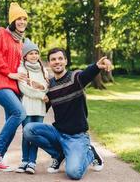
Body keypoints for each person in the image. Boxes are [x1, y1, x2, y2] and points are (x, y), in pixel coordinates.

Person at [23, 48, 112, 180]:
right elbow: (41, 108)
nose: (57, 62)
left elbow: (87, 74)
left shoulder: (75, 78)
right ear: (49, 63)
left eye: (60, 58)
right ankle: (60, 154)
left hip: (77, 136)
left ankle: (89, 153)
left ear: (66, 61)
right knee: (29, 129)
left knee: (74, 173)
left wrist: (99, 65)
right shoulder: (50, 86)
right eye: (53, 59)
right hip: (58, 133)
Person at [0, 2, 28, 175]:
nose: (22, 21)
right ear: (12, 20)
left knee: (13, 119)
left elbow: (20, 66)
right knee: (20, 113)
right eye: (19, 18)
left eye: (25, 18)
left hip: (12, 86)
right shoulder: (0, 33)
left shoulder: (19, 42)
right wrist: (10, 73)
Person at [15, 38, 49, 174]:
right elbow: (25, 89)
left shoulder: (43, 70)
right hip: (27, 107)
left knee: (35, 135)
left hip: (39, 109)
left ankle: (32, 162)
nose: (34, 56)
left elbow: (46, 87)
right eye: (31, 53)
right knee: (26, 134)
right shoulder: (21, 69)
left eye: (36, 53)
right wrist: (41, 94)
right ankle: (24, 160)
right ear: (25, 56)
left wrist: (40, 86)